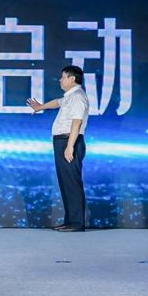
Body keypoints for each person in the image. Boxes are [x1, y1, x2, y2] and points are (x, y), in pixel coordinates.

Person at [27, 65, 90, 231]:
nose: (60, 80)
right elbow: (57, 102)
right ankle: (70, 221)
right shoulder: (70, 96)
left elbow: (77, 122)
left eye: (63, 77)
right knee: (66, 183)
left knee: (72, 183)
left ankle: (76, 223)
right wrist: (40, 107)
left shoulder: (78, 97)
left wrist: (70, 146)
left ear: (72, 79)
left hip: (69, 141)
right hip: (63, 142)